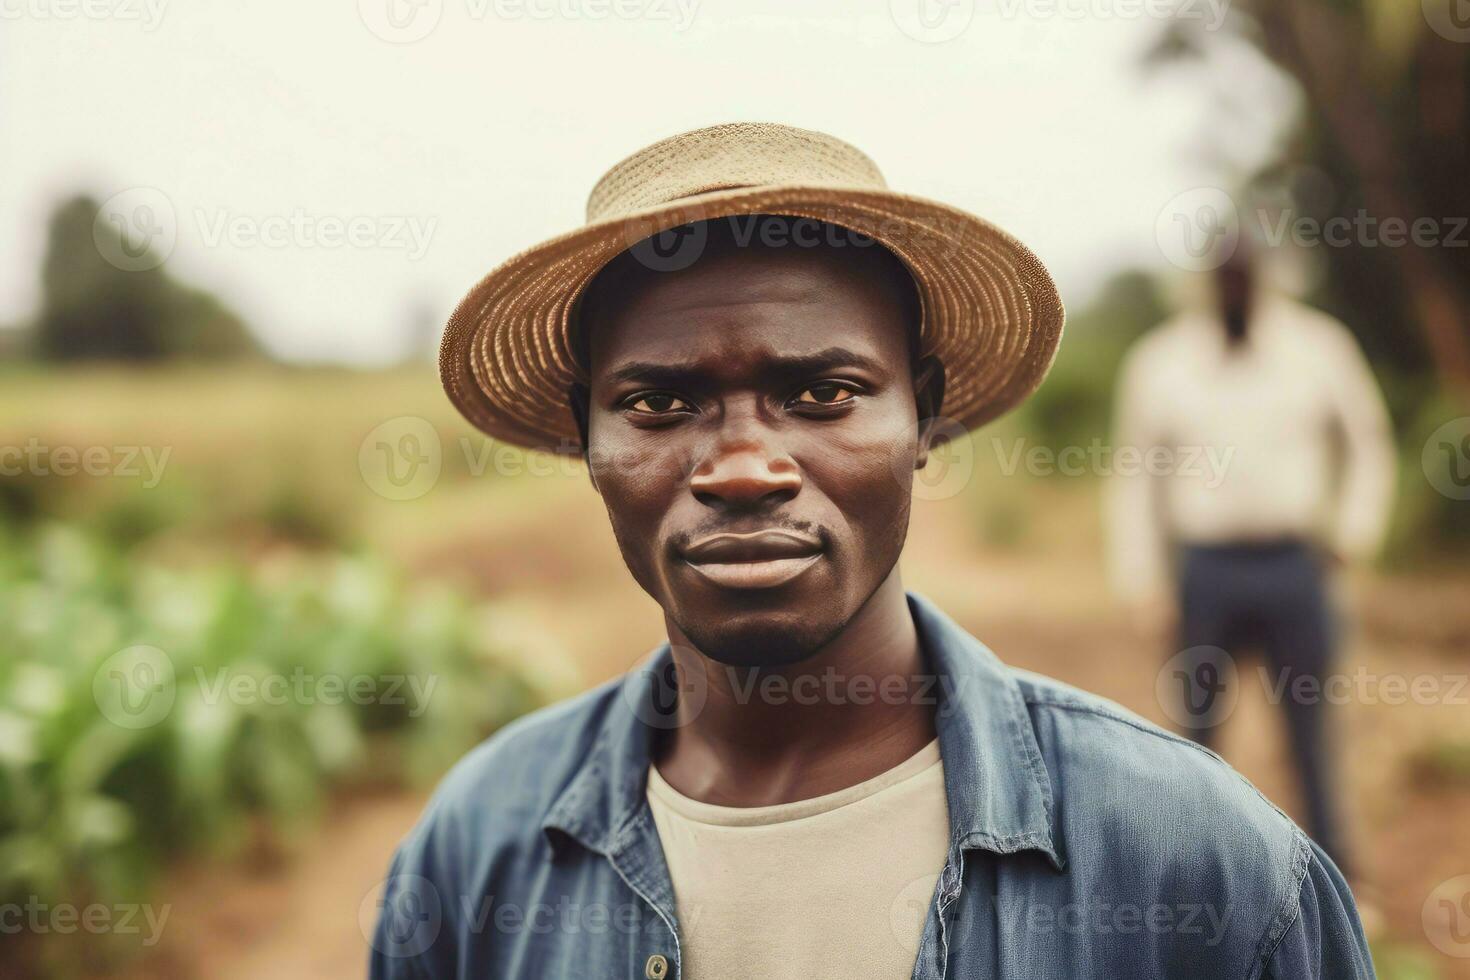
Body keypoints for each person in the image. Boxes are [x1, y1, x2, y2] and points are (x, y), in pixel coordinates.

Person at [371, 123, 1375, 979]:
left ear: (925, 416)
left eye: (823, 393)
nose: (745, 466)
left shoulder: (1204, 868)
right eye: (657, 403)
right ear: (586, 435)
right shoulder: (475, 853)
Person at [1106, 245, 1396, 883]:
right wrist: (1144, 581)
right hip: (1204, 571)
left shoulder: (1319, 348)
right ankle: (1197, 876)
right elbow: (1133, 478)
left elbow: (1368, 441)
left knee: (1310, 731)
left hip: (1296, 566)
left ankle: (1337, 880)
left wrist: (1353, 532)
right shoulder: (1161, 361)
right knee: (1197, 733)